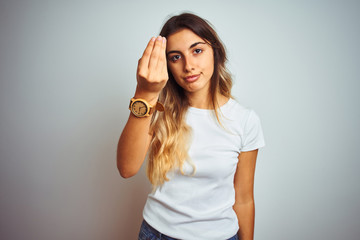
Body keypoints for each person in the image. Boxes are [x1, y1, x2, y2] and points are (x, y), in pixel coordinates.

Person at [117, 13, 265, 240]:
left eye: (197, 51)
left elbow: (244, 198)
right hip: (156, 234)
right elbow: (126, 169)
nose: (188, 66)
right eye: (176, 57)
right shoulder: (157, 108)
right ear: (167, 65)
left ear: (215, 52)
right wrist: (144, 93)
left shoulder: (245, 120)